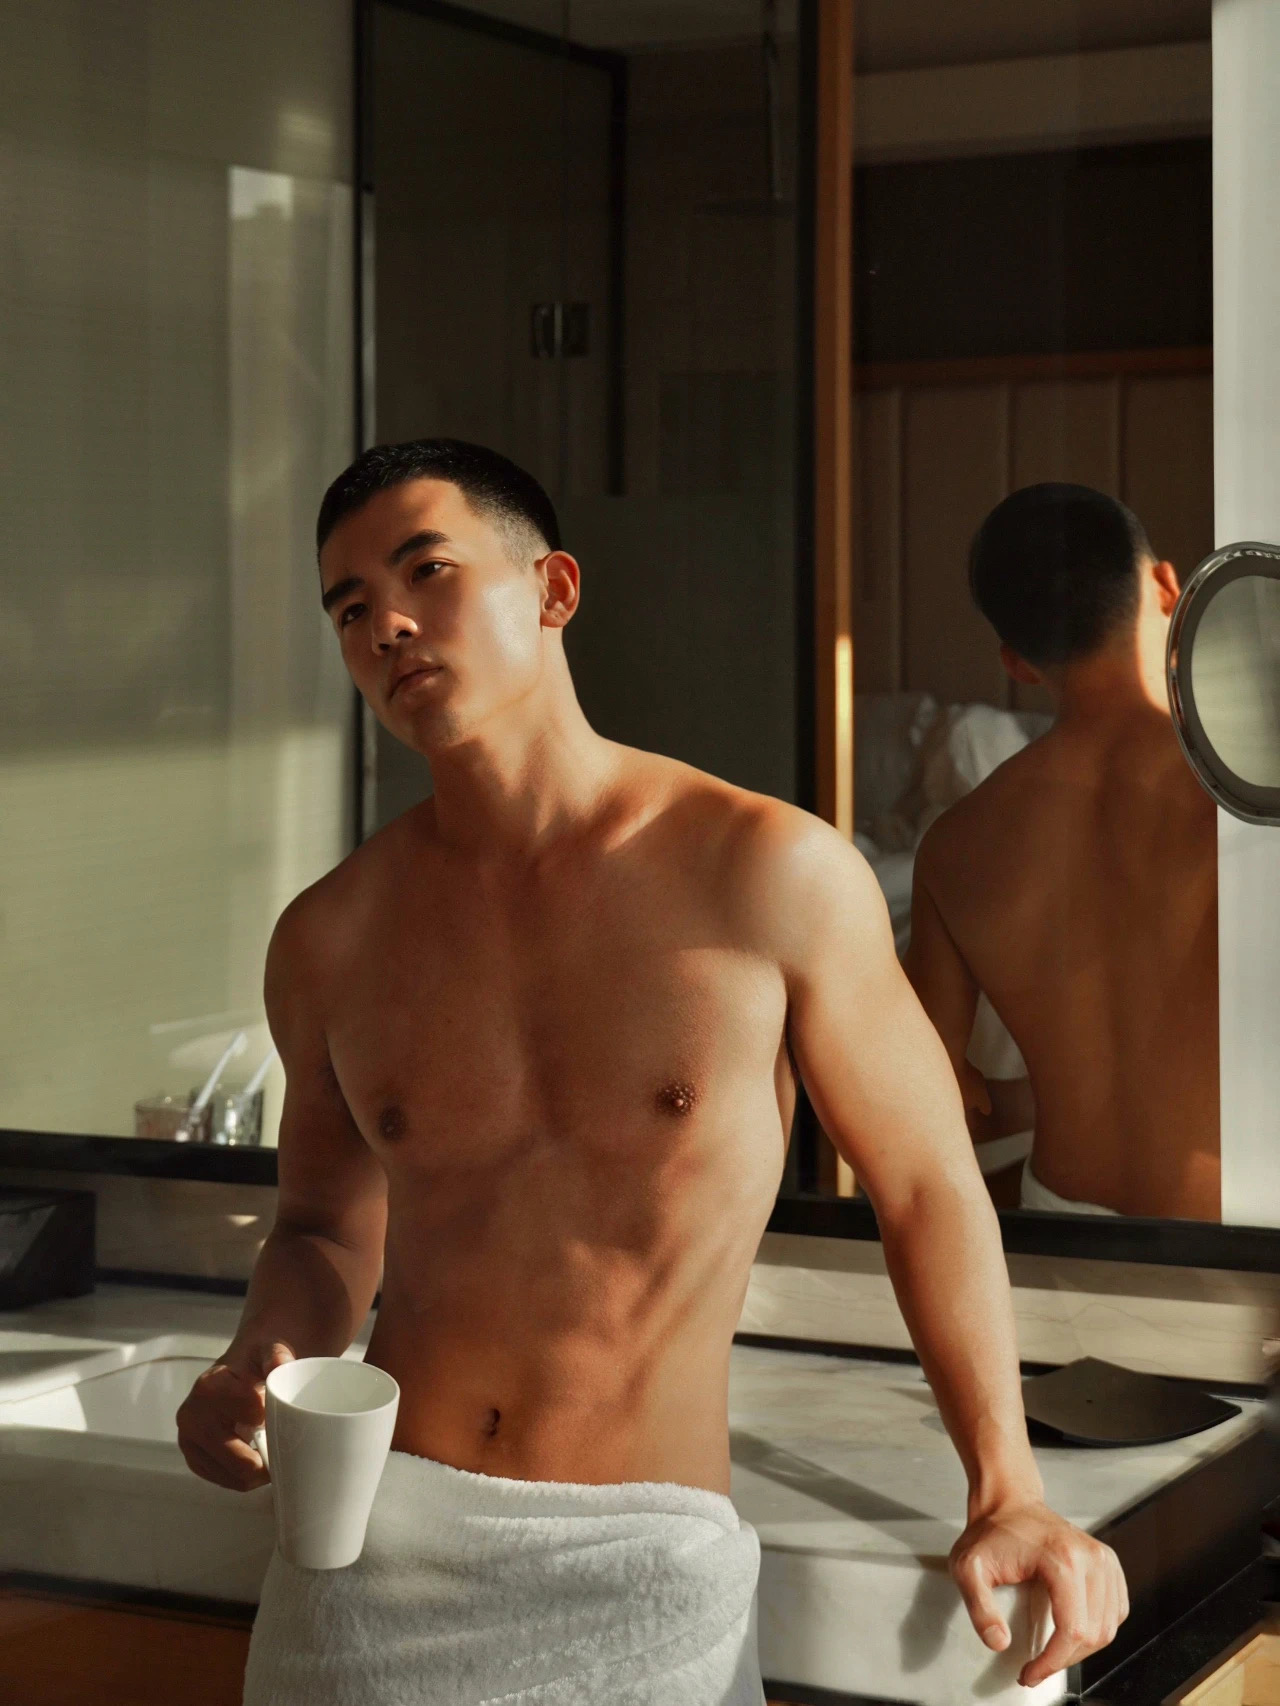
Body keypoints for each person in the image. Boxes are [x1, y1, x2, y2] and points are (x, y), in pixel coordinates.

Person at [176, 442, 1126, 1704]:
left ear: (553, 588)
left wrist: (1005, 1485)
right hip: (364, 1558)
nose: (386, 623)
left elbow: (926, 1186)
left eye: (426, 571)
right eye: (349, 608)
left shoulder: (766, 871)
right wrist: (257, 1355)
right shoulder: (329, 938)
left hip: (640, 1567)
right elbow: (318, 1229)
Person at [905, 483, 1219, 1221]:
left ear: (1016, 662)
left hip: (1063, 1223)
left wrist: (1061, 1086)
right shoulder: (1240, 792)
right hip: (1231, 1221)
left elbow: (930, 1096)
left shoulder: (954, 846)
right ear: (1167, 587)